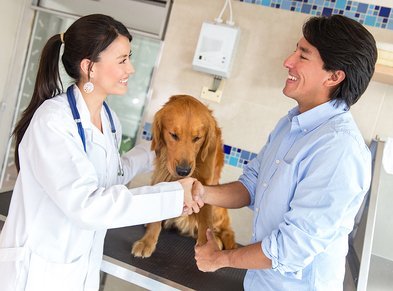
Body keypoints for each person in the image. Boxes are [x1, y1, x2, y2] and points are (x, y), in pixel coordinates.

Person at [0, 14, 200, 291]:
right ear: (89, 67)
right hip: (37, 273)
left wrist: (155, 150)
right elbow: (88, 205)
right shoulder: (54, 121)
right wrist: (175, 195)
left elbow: (112, 176)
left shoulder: (109, 119)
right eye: (122, 60)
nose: (131, 69)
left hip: (78, 271)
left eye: (130, 57)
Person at [192, 15, 377, 290]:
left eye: (303, 55)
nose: (288, 61)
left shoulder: (339, 150)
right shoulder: (292, 123)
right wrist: (201, 192)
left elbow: (290, 249)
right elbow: (251, 185)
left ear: (334, 76)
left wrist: (220, 259)